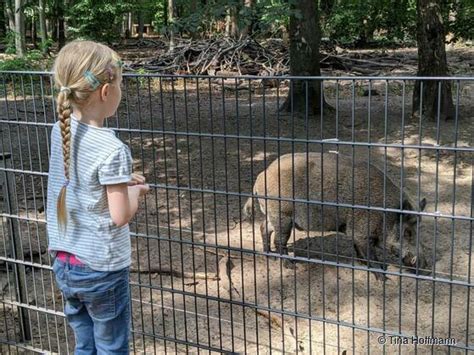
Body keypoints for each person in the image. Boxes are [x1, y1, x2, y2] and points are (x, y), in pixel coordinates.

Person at [46, 40, 149, 354]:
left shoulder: (59, 130)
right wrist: (135, 190)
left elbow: (81, 180)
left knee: (85, 342)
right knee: (111, 346)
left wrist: (119, 181)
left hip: (65, 261)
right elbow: (120, 215)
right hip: (101, 269)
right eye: (120, 83)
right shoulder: (112, 148)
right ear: (106, 92)